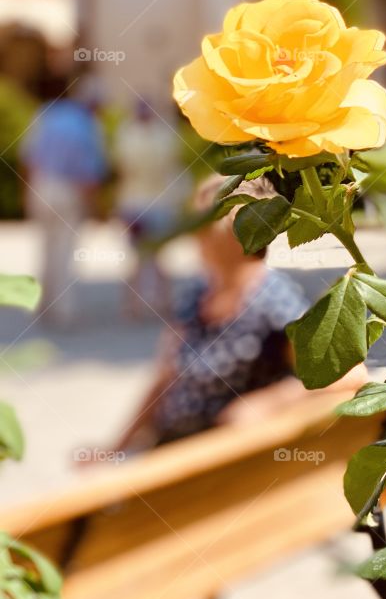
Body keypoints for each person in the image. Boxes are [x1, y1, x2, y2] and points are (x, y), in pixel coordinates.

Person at [112, 177, 359, 452]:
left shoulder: (272, 298)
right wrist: (115, 448)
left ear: (240, 229)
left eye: (203, 223)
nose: (195, 234)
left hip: (220, 459)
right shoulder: (196, 292)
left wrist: (270, 402)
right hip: (168, 448)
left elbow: (347, 377)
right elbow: (164, 379)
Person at [20, 76, 109, 326]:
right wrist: (97, 207)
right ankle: (63, 310)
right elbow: (90, 173)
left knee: (46, 247)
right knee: (65, 250)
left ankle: (42, 304)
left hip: (41, 186)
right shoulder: (88, 125)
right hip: (68, 190)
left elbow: (28, 158)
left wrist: (26, 193)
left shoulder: (46, 114)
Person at [114, 98, 189, 318]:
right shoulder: (163, 135)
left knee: (141, 258)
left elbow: (122, 168)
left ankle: (135, 305)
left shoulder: (127, 134)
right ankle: (157, 303)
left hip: (137, 202)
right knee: (155, 257)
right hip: (155, 203)